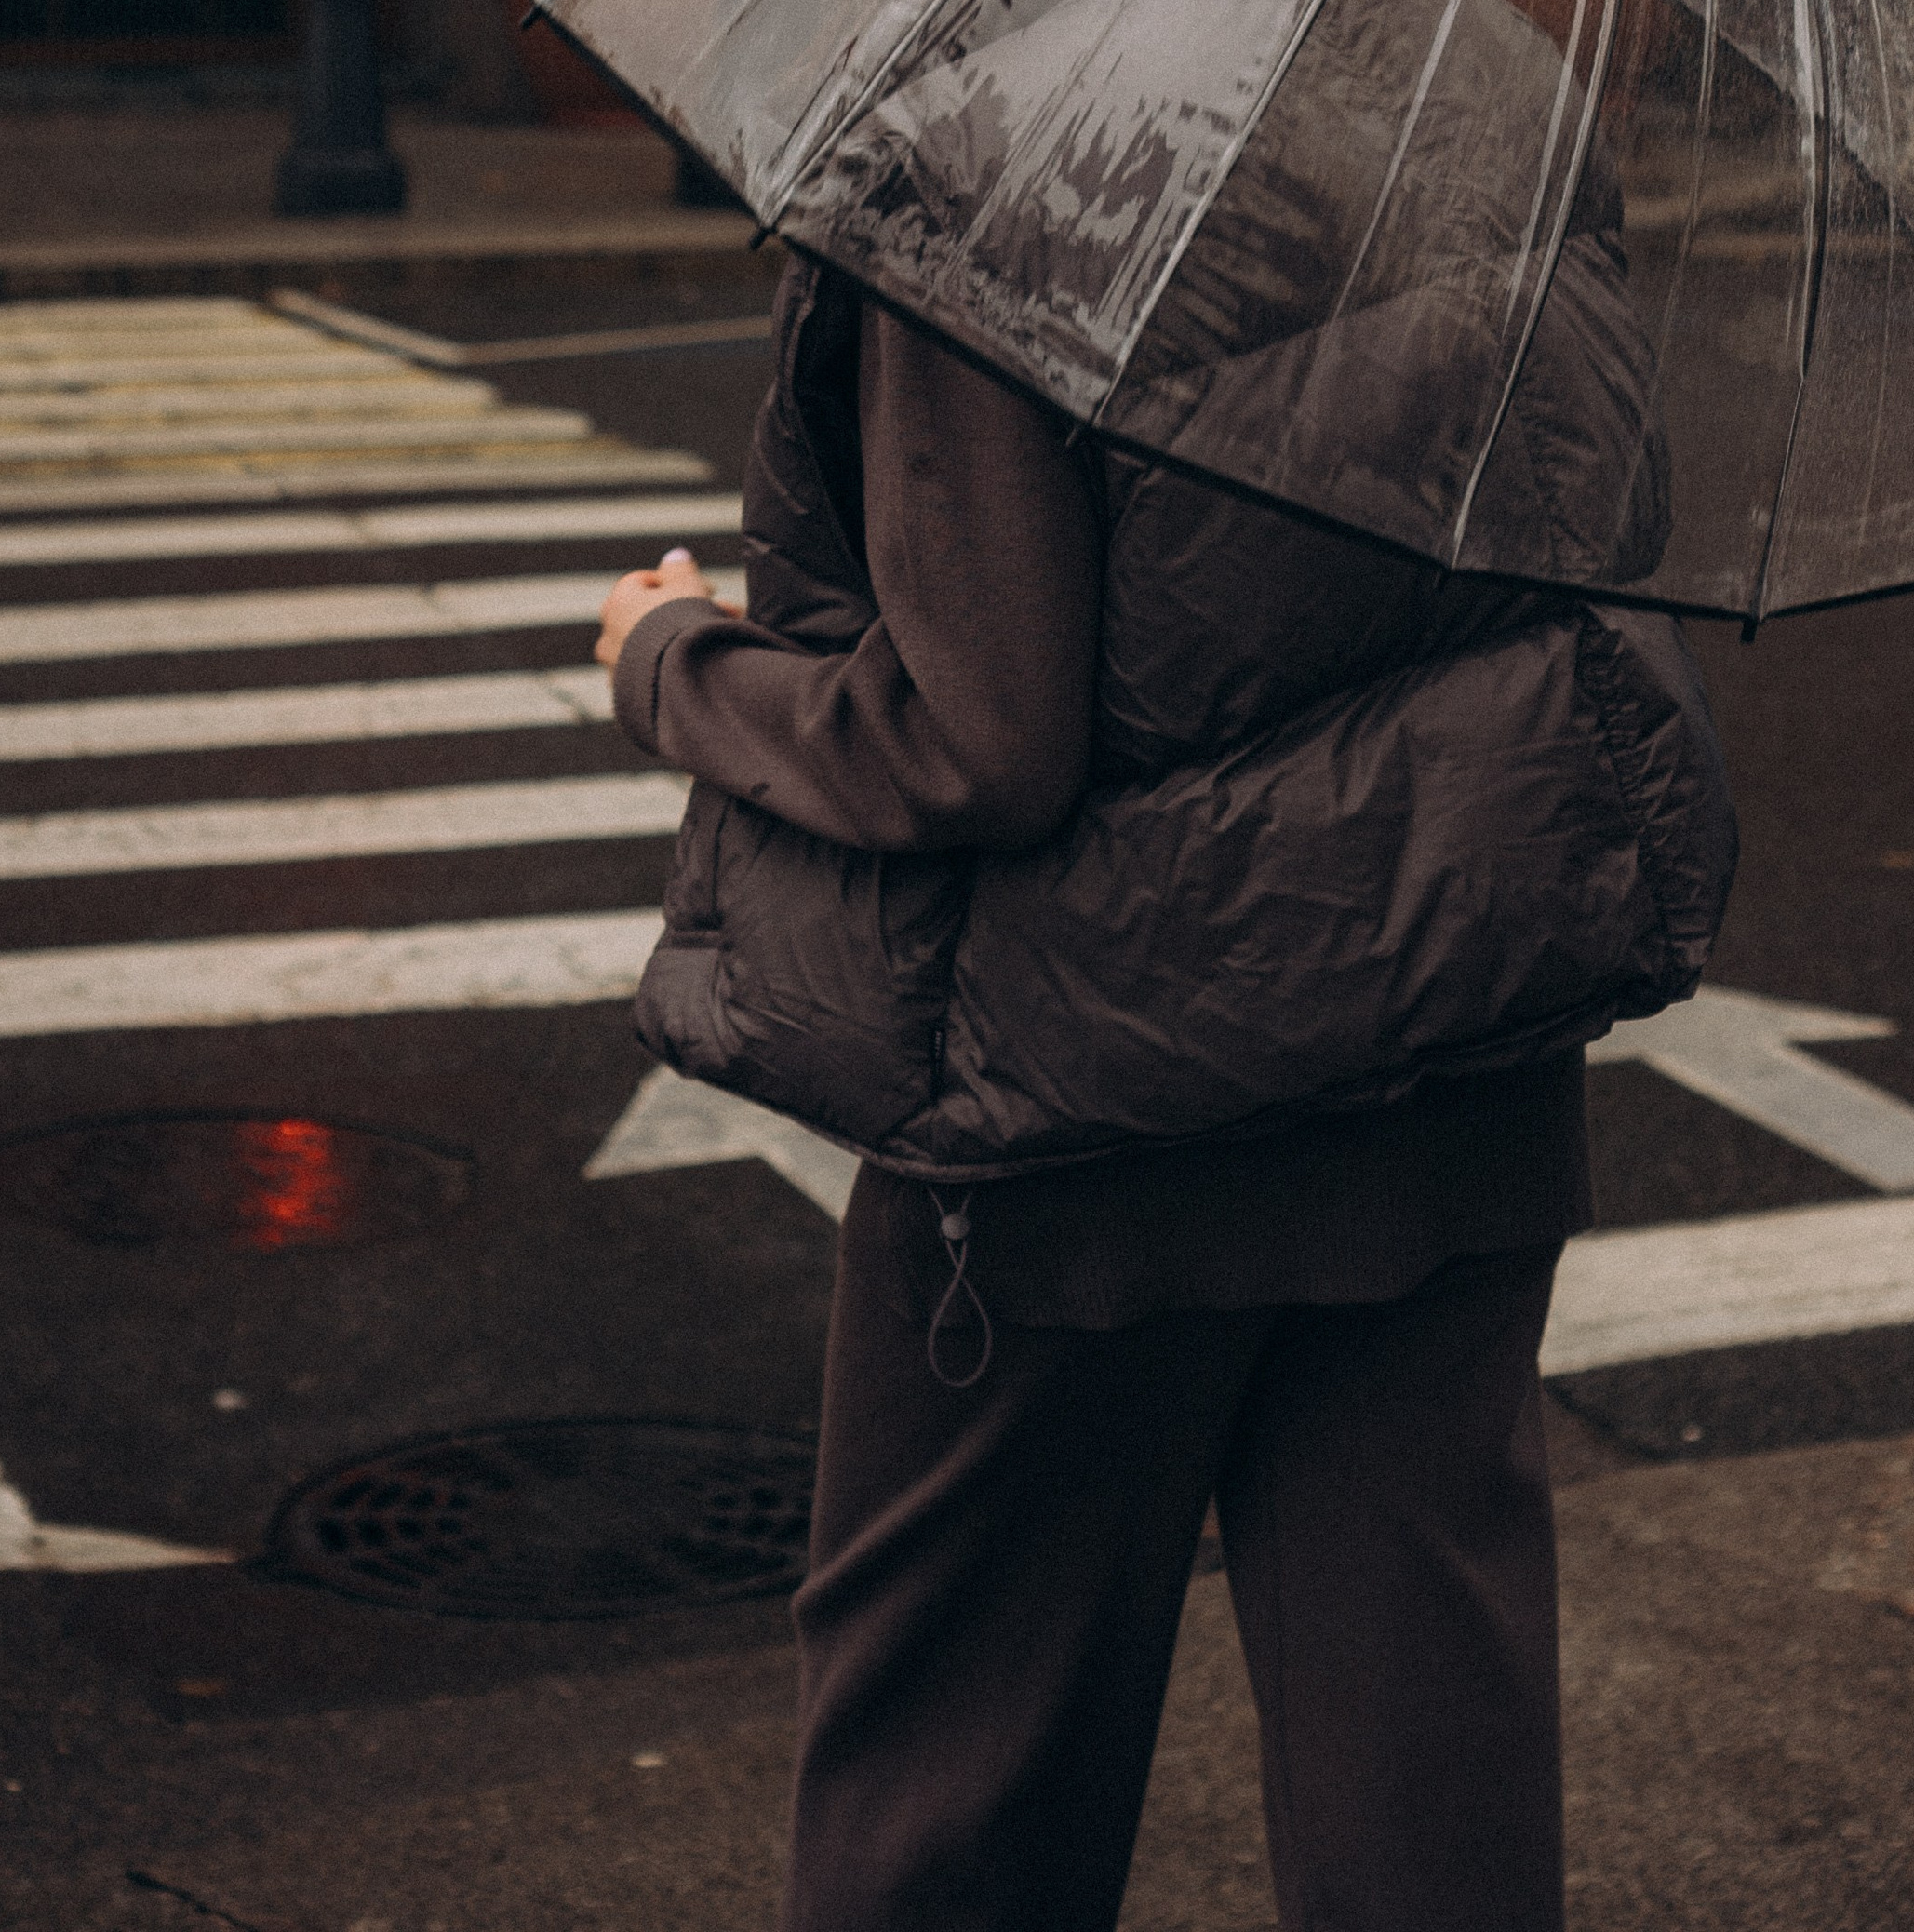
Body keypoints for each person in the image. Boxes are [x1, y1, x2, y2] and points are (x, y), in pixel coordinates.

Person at [596, 244, 1731, 1932]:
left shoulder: (989, 173)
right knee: (1427, 1787)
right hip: (1454, 1038)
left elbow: (977, 742)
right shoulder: (1496, 97)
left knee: (953, 1784)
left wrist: (670, 659)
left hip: (1081, 1106)